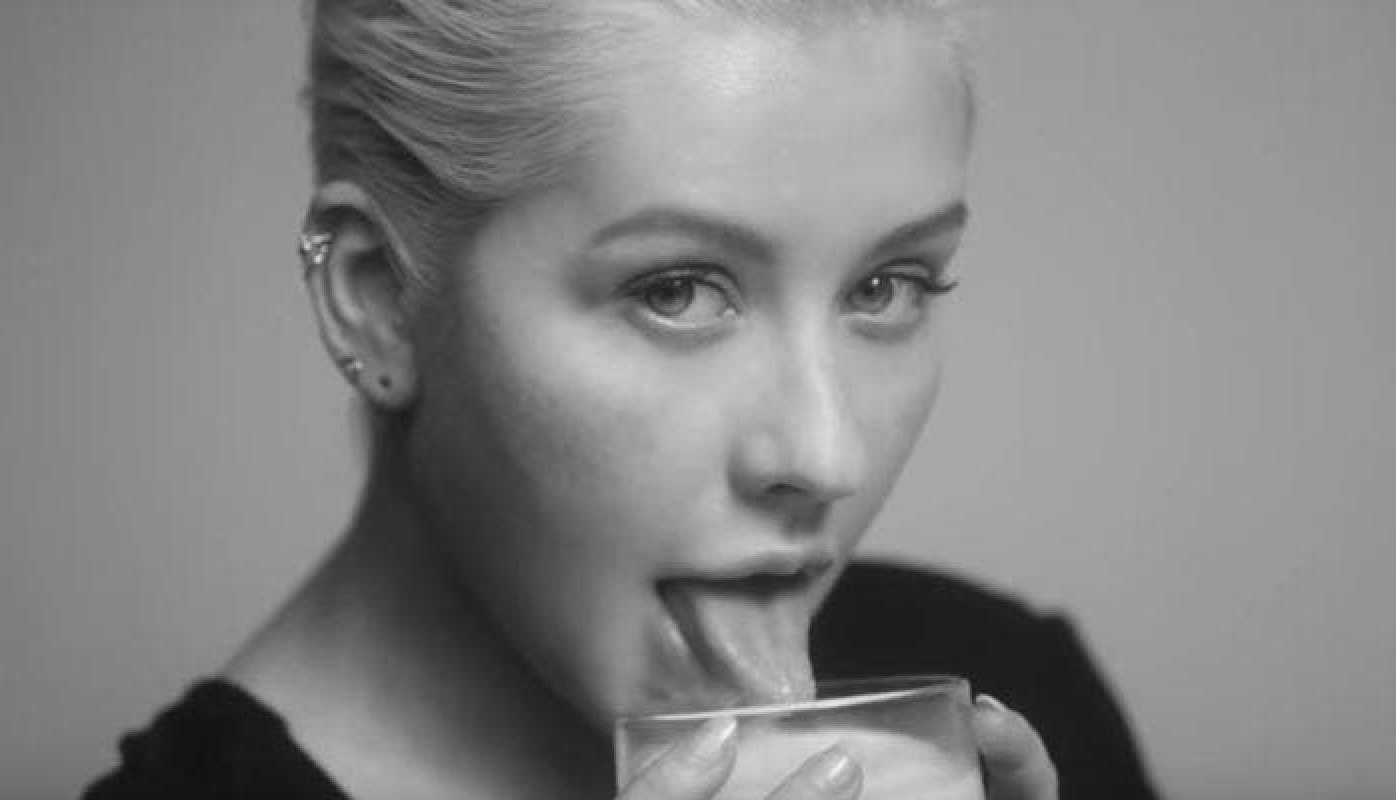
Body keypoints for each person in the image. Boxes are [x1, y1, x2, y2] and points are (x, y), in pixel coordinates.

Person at [84, 1, 1158, 798]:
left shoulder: (1005, 702)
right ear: (377, 302)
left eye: (886, 286)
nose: (826, 454)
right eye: (675, 290)